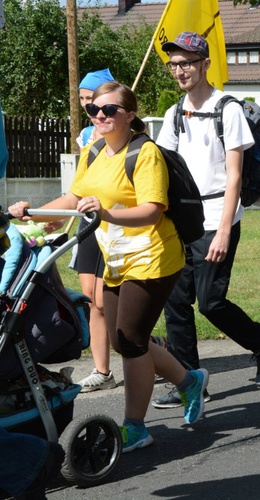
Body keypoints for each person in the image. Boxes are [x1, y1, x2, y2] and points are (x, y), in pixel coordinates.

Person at [9, 81, 209, 453]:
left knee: (130, 340)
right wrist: (32, 213)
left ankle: (135, 426)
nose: (100, 116)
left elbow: (152, 211)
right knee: (122, 339)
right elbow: (72, 199)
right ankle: (188, 380)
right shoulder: (93, 150)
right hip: (116, 256)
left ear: (129, 114)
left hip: (153, 257)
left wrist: (105, 213)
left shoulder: (144, 153)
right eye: (93, 110)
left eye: (109, 110)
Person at [153, 31, 260, 409]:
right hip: (182, 219)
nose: (180, 70)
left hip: (216, 217)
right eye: (174, 64)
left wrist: (224, 229)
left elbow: (235, 176)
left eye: (187, 63)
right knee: (175, 303)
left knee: (210, 302)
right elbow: (165, 168)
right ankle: (189, 381)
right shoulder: (176, 113)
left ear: (205, 64)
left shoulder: (228, 109)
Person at [72, 68, 118, 393]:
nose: (92, 110)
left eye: (94, 101)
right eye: (85, 103)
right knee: (90, 299)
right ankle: (103, 371)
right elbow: (79, 185)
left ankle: (144, 345)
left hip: (113, 222)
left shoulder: (120, 135)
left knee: (105, 302)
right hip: (88, 220)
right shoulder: (86, 138)